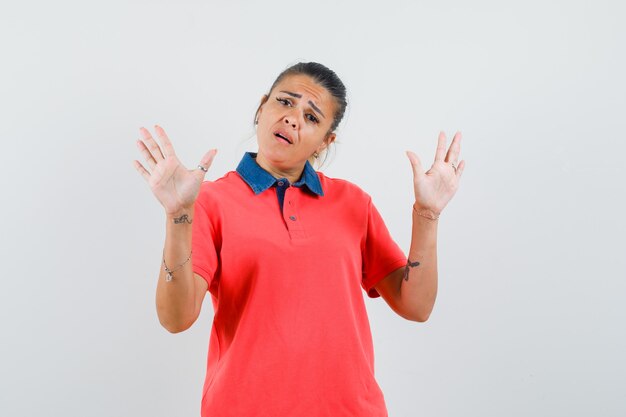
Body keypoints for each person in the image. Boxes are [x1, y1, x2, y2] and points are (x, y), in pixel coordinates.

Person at [133, 62, 465, 417]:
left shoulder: (353, 203)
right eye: (285, 102)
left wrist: (427, 215)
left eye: (311, 116)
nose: (293, 118)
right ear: (262, 108)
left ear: (325, 142)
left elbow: (416, 306)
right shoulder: (212, 201)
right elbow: (175, 318)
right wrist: (178, 215)